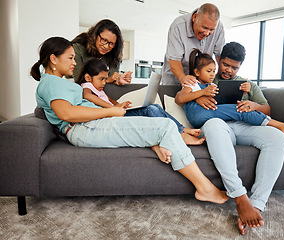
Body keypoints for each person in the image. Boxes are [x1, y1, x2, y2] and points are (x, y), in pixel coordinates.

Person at [30, 36, 229, 207]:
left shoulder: (58, 82)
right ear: (53, 59)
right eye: (70, 58)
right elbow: (67, 114)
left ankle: (156, 144)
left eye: (74, 57)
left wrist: (111, 99)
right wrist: (109, 113)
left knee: (158, 124)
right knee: (167, 126)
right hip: (86, 128)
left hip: (90, 126)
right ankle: (204, 188)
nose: (75, 62)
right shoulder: (51, 83)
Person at [190, 42, 284, 234]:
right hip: (218, 126)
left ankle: (256, 204)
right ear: (219, 60)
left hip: (244, 127)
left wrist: (253, 105)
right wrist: (198, 95)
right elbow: (186, 96)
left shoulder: (248, 85)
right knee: (213, 125)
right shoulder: (205, 78)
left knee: (278, 138)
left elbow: (267, 109)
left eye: (234, 67)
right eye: (225, 64)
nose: (228, 70)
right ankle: (239, 197)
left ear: (240, 66)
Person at [75, 58, 205, 145]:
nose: (104, 82)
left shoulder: (99, 89)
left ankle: (181, 129)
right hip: (113, 118)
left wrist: (119, 105)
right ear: (88, 77)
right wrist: (111, 109)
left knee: (155, 107)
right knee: (151, 110)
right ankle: (181, 134)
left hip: (117, 113)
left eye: (105, 79)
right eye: (101, 79)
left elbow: (111, 101)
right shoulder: (87, 86)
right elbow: (88, 96)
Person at [175, 49, 284, 136]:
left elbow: (220, 104)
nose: (212, 74)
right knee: (241, 111)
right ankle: (282, 127)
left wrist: (242, 93)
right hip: (198, 115)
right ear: (197, 72)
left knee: (239, 109)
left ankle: (281, 127)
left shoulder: (210, 84)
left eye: (213, 71)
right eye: (209, 71)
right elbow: (179, 99)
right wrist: (202, 93)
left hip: (208, 115)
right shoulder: (192, 82)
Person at [161, 3, 225, 86]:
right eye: (204, 27)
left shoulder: (219, 28)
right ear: (195, 17)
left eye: (211, 30)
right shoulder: (178, 26)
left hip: (199, 82)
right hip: (175, 79)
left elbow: (219, 57)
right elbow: (174, 60)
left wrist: (223, 81)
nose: (207, 33)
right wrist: (183, 78)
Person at [71, 19, 132, 85]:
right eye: (104, 40)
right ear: (95, 35)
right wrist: (107, 80)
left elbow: (113, 77)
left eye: (111, 43)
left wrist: (118, 80)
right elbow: (79, 80)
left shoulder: (113, 54)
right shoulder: (77, 48)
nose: (106, 46)